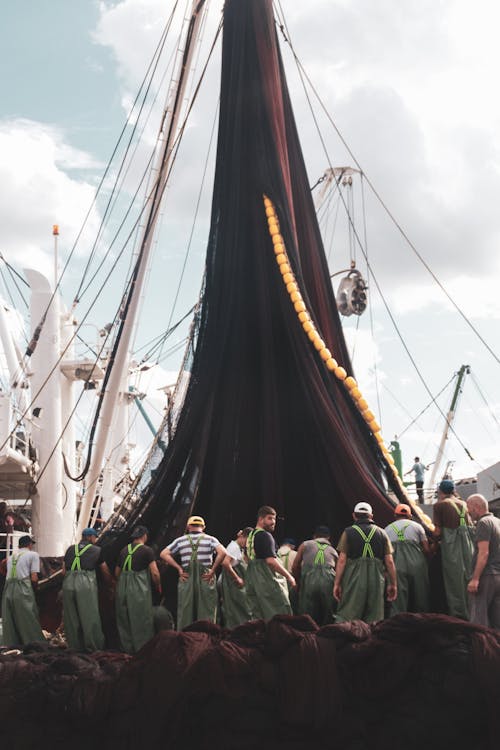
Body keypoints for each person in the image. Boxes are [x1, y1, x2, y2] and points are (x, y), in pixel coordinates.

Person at [334, 502, 397, 623]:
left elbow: (341, 560)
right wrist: (393, 584)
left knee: (349, 613)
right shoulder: (382, 533)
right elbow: (389, 561)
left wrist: (337, 584)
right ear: (371, 516)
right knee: (375, 615)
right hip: (376, 580)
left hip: (353, 578)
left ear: (354, 515)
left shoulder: (348, 532)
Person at [160, 515, 226, 630]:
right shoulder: (210, 539)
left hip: (187, 577)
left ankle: (185, 640)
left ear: (188, 527)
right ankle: (207, 639)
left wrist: (179, 568)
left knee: (186, 610)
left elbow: (163, 554)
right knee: (207, 609)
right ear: (203, 527)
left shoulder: (180, 540)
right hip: (205, 577)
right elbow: (223, 552)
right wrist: (213, 570)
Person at [62, 527, 112, 651]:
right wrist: (110, 584)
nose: (95, 540)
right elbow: (104, 570)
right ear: (90, 537)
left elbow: (63, 571)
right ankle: (93, 647)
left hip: (67, 583)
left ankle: (75, 647)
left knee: (71, 617)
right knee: (89, 615)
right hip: (85, 583)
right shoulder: (97, 550)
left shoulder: (70, 549)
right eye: (95, 537)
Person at [115, 525, 161, 653]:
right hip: (138, 588)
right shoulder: (148, 551)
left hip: (122, 586)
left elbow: (117, 572)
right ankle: (142, 649)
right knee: (141, 617)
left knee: (124, 617)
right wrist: (157, 584)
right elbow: (155, 573)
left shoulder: (124, 550)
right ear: (144, 536)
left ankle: (126, 649)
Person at [245, 505, 296, 619]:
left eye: (274, 519)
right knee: (280, 610)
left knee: (258, 613)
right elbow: (271, 561)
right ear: (260, 519)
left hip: (252, 578)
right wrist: (289, 576)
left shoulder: (251, 535)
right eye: (269, 518)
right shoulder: (265, 536)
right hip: (266, 578)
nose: (273, 522)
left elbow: (247, 558)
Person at [433, 479, 473, 619]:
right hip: (467, 545)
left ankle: (458, 616)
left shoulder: (440, 505)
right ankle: (472, 612)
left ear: (441, 491)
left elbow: (437, 532)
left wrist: (432, 544)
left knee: (453, 581)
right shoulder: (464, 504)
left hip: (451, 547)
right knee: (469, 577)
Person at [384, 505, 430, 615]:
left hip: (396, 566)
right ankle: (421, 622)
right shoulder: (417, 527)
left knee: (398, 597)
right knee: (420, 595)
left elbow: (385, 553)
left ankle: (398, 623)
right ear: (409, 515)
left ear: (395, 515)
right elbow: (426, 549)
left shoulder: (387, 529)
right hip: (417, 565)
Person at [1, 535, 45, 646]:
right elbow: (34, 577)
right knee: (28, 617)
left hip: (8, 588)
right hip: (23, 587)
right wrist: (36, 589)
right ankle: (35, 644)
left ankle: (12, 645)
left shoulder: (11, 557)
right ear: (29, 544)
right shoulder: (33, 555)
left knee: (10, 619)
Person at [466, 494, 500, 629]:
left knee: (478, 621)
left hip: (486, 576)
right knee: (497, 620)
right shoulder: (497, 521)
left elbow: (483, 552)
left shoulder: (483, 523)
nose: (468, 512)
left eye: (469, 508)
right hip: (498, 576)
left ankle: (479, 649)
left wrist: (475, 579)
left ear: (476, 507)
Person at [292, 525, 337, 626]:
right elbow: (338, 571)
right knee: (327, 615)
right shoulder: (333, 551)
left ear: (314, 536)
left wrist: (298, 582)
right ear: (328, 538)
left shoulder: (305, 545)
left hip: (308, 582)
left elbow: (295, 566)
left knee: (307, 616)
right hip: (328, 582)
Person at [220, 527, 253, 628]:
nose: (247, 544)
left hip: (234, 582)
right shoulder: (234, 546)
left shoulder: (239, 548)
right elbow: (225, 563)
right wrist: (237, 578)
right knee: (235, 609)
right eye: (248, 541)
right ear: (243, 536)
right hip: (231, 582)